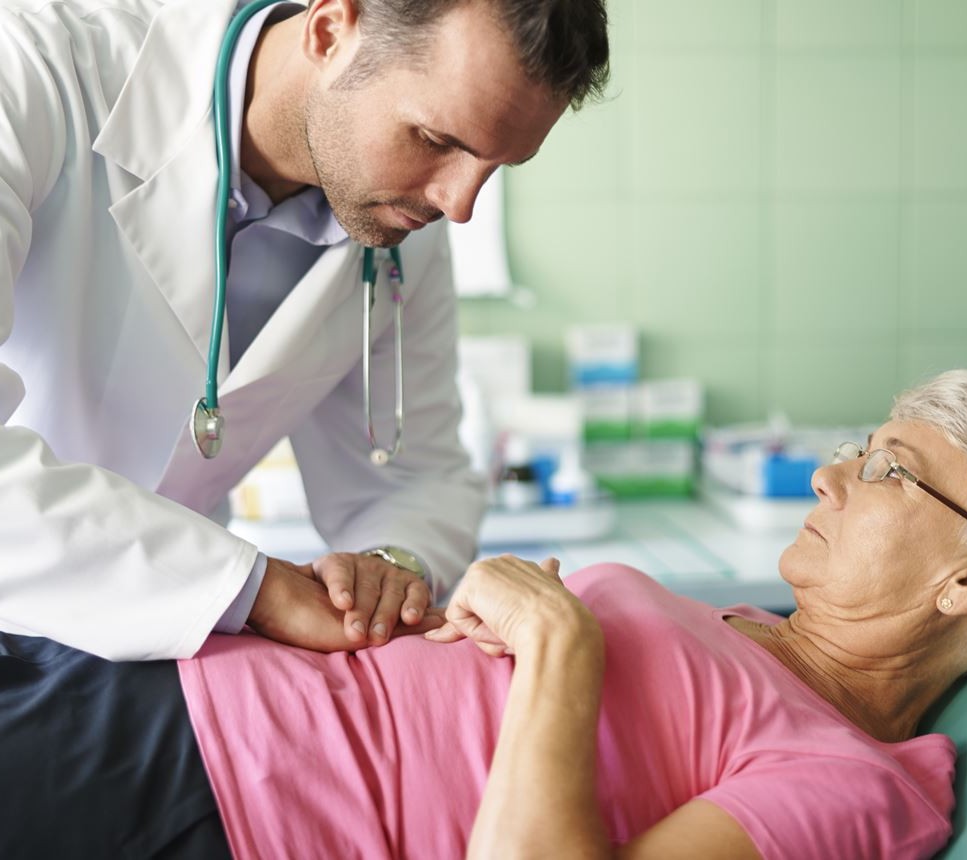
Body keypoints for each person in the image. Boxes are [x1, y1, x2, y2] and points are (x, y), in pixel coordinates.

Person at [3, 370, 967, 858]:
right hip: (177, 667)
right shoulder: (755, 632)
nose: (829, 476)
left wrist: (555, 638)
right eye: (855, 447)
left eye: (888, 469)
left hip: (214, 793)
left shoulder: (857, 782)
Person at [0, 0, 609, 660]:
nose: (458, 205)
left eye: (494, 168)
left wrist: (389, 568)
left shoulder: (401, 228)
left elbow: (412, 477)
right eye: (436, 141)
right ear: (329, 31)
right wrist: (255, 589)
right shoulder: (31, 71)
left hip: (169, 659)